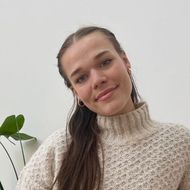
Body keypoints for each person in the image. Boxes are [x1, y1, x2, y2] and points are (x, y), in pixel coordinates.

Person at [16, 26, 190, 190]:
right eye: (81, 78)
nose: (98, 79)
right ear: (75, 93)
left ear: (125, 61)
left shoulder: (178, 143)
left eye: (105, 62)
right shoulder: (59, 148)